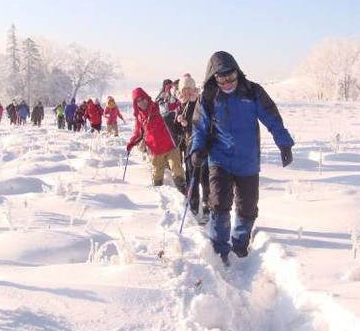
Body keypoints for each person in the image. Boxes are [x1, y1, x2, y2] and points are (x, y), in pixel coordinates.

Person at [190, 51, 294, 264]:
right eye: (221, 79)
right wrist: (197, 149)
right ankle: (220, 251)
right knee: (219, 204)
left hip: (248, 161)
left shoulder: (252, 92)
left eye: (231, 77)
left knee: (247, 207)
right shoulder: (208, 97)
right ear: (213, 78)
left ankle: (239, 246)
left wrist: (284, 142)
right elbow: (199, 127)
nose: (227, 83)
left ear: (238, 73)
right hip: (220, 158)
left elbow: (272, 117)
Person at [126, 87, 186, 193]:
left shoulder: (158, 107)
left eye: (143, 98)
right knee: (157, 177)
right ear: (136, 103)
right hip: (155, 151)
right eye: (138, 101)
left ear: (147, 97)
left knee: (177, 170)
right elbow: (138, 133)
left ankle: (184, 193)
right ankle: (157, 199)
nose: (142, 102)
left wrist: (183, 100)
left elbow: (175, 106)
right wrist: (131, 143)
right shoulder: (139, 117)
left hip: (170, 146)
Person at [176, 74, 210, 219]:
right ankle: (194, 205)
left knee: (205, 176)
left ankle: (207, 204)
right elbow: (177, 129)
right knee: (191, 176)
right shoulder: (181, 105)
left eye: (189, 88)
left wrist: (188, 123)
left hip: (202, 144)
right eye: (184, 89)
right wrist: (179, 121)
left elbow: (201, 123)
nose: (187, 92)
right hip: (188, 145)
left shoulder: (200, 103)